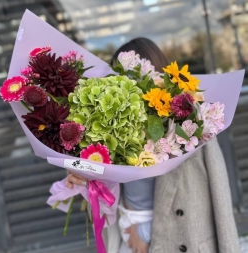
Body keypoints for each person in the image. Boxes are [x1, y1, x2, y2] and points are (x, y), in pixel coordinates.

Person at [66, 38, 240, 253]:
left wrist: (146, 231)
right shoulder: (115, 130)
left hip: (178, 240)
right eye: (117, 79)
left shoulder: (192, 126)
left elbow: (218, 198)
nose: (124, 86)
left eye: (130, 77)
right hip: (126, 237)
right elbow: (112, 192)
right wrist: (86, 178)